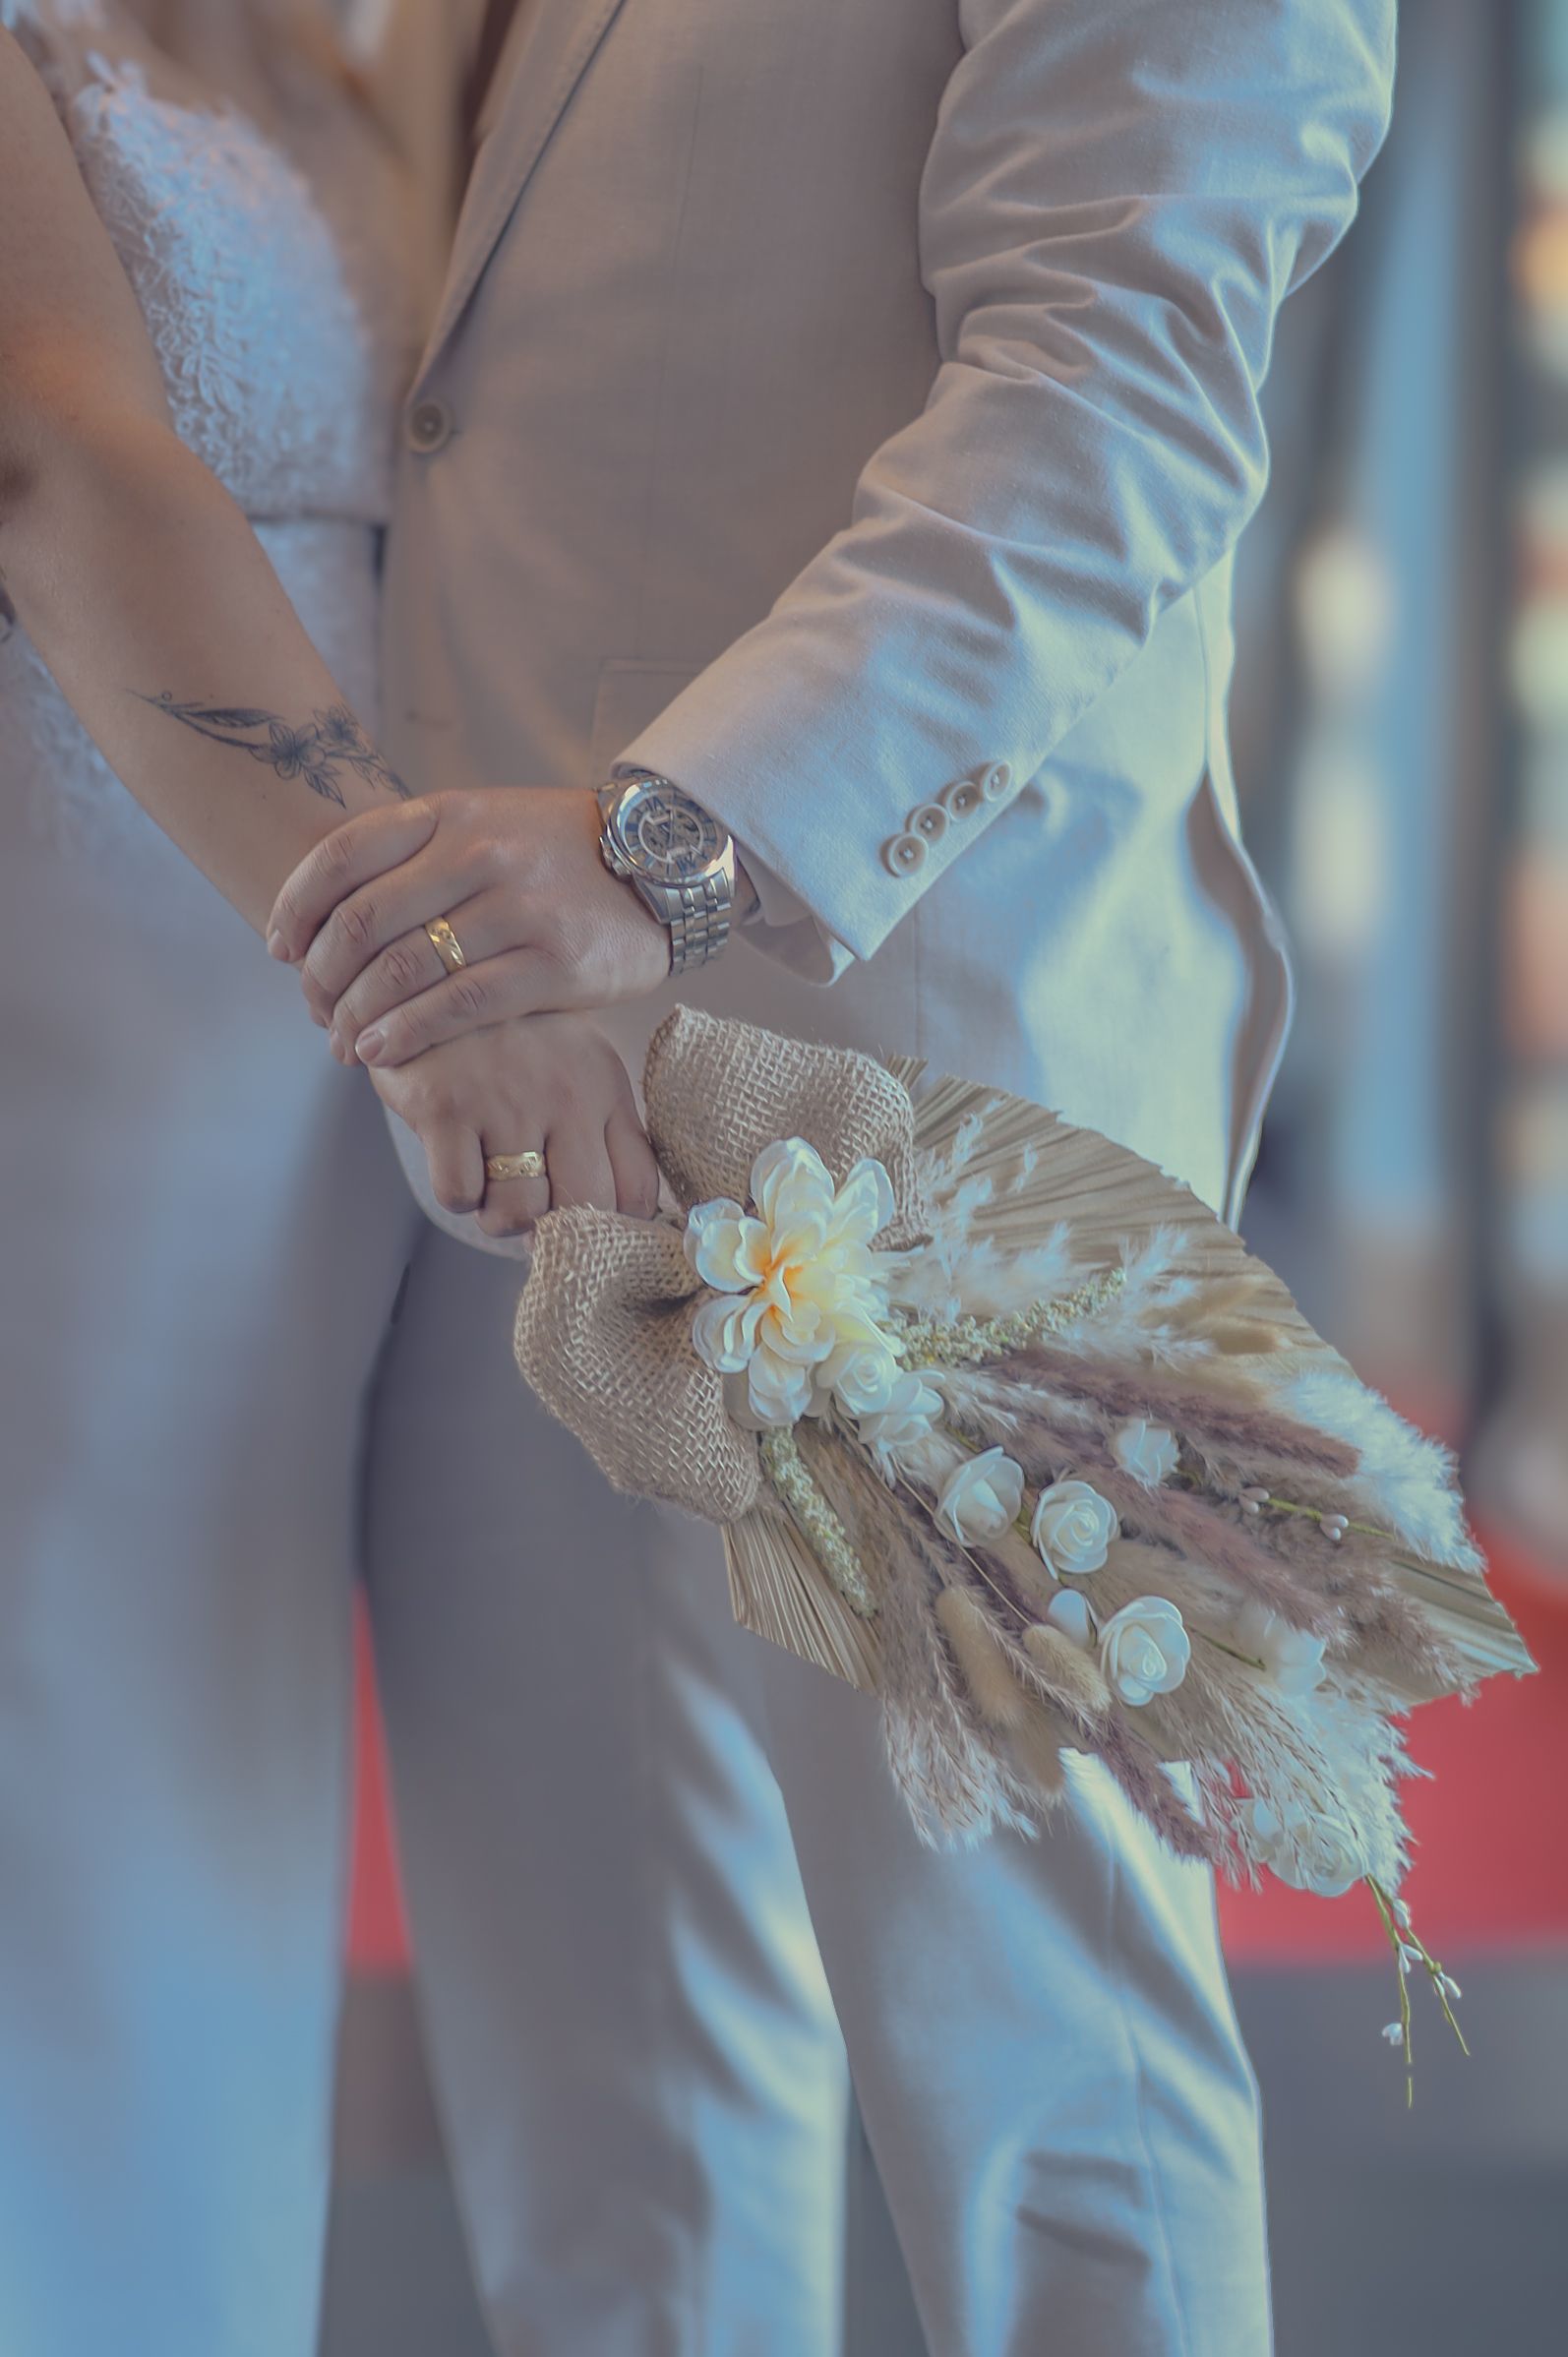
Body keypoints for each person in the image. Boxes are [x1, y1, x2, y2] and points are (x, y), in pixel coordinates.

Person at [263, 2, 1399, 2352]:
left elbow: (1117, 378)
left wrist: (661, 853)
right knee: (608, 2080)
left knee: (1043, 2074)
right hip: (505, 1102)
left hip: (925, 1065)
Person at [0, 5, 657, 2352]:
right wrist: (441, 978)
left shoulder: (374, 49)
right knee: (63, 1747)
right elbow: (58, 446)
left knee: (218, 1765)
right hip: (94, 1006)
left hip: (327, 1070)